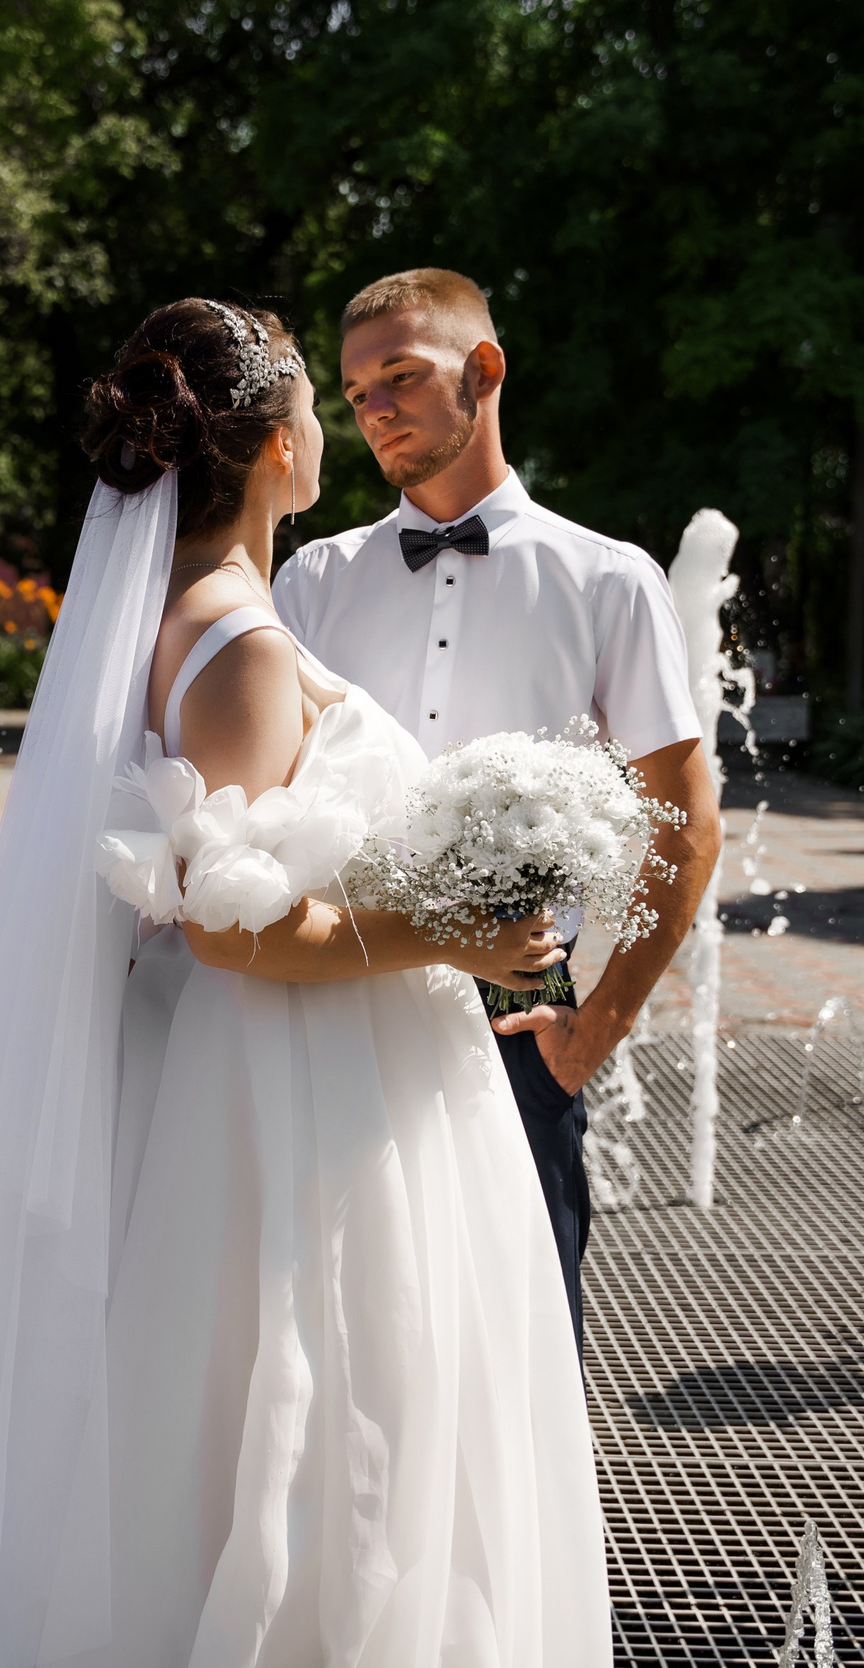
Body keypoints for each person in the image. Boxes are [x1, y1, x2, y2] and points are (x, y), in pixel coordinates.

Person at [0, 297, 617, 1668]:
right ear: (274, 446)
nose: (331, 427)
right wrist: (458, 935)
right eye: (311, 403)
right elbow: (236, 931)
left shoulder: (191, 619)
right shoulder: (232, 642)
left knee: (293, 1431)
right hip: (299, 1099)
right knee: (326, 1434)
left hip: (302, 1071)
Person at [275, 268, 722, 1339]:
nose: (375, 410)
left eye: (400, 377)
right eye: (356, 394)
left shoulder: (607, 579)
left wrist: (591, 1029)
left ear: (483, 369)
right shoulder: (311, 584)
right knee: (340, 1334)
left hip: (520, 1013)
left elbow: (685, 821)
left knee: (522, 1335)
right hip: (340, 984)